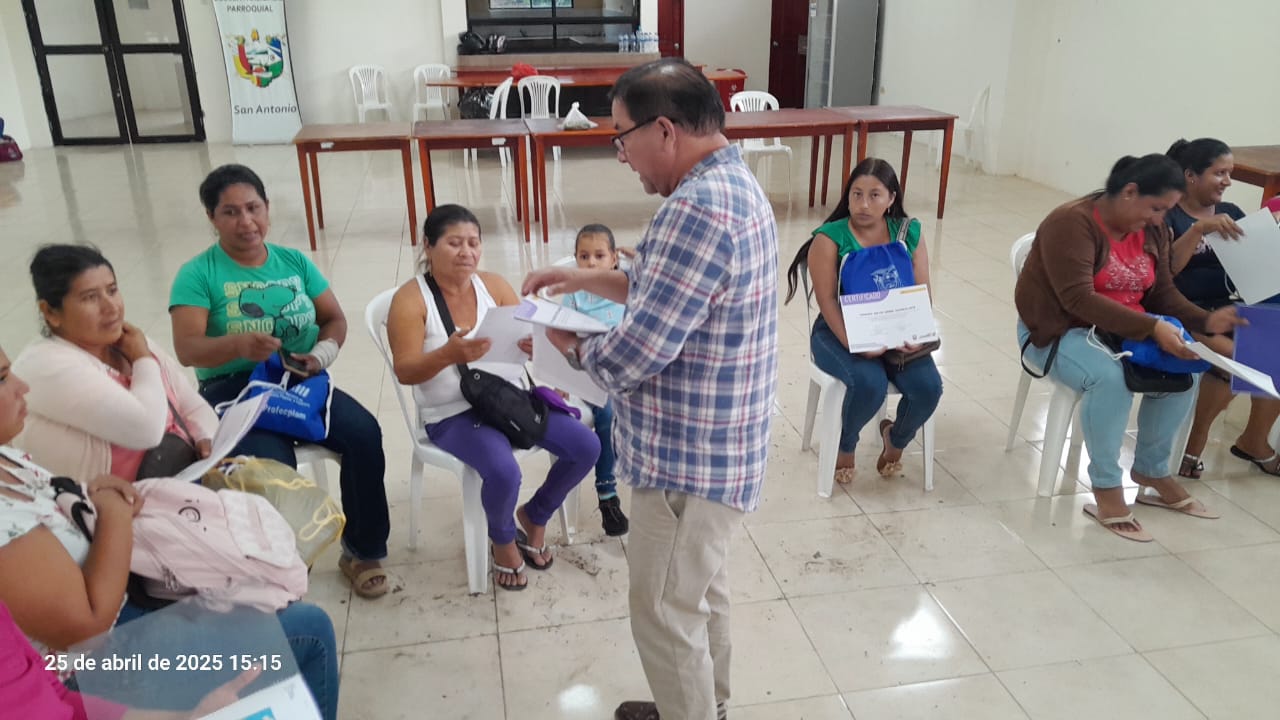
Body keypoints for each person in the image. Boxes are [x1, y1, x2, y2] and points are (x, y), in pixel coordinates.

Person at [522, 58, 778, 720]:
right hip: (722, 445)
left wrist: (568, 343)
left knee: (664, 611)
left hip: (686, 463)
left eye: (622, 136)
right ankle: (707, 705)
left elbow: (634, 353)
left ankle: (691, 711)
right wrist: (582, 280)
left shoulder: (696, 209)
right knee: (699, 594)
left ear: (664, 130)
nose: (620, 154)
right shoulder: (732, 183)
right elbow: (667, 286)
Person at [0, 346, 340, 719]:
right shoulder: (53, 366)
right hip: (90, 662)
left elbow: (194, 408)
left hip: (132, 585)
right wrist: (114, 513)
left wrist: (100, 496)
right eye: (2, 379)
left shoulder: (7, 457)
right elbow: (87, 627)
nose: (21, 386)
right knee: (307, 631)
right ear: (54, 315)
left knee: (255, 584)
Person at [169, 164, 391, 599]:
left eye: (253, 208)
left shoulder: (293, 262)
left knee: (364, 434)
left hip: (298, 377)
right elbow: (187, 349)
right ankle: (280, 563)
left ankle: (363, 550)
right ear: (212, 218)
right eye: (231, 212)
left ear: (267, 208)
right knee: (273, 464)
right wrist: (237, 345)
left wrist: (321, 355)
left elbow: (334, 319)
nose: (246, 221)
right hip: (234, 388)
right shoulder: (198, 274)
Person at [1016, 154, 1243, 543]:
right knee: (1110, 379)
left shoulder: (1152, 230)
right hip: (1058, 330)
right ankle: (1106, 485)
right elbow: (1077, 300)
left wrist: (1206, 322)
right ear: (1129, 192)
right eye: (1156, 208)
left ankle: (1152, 470)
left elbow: (1162, 292)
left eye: (1166, 210)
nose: (1161, 219)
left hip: (1126, 328)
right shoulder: (1071, 223)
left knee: (1186, 369)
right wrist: (1152, 327)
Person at [386, 204, 599, 591]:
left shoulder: (494, 286)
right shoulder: (411, 300)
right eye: (454, 243)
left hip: (508, 398)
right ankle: (502, 539)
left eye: (473, 243)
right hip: (452, 413)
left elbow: (526, 336)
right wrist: (447, 355)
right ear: (428, 246)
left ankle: (535, 515)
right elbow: (405, 371)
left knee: (586, 445)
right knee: (504, 471)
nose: (466, 252)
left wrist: (532, 347)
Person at [783, 158, 942, 486]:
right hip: (837, 331)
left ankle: (895, 439)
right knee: (869, 384)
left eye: (874, 195)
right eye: (856, 194)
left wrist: (914, 333)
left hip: (897, 332)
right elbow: (827, 301)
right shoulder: (830, 238)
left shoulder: (908, 233)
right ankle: (846, 443)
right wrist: (857, 344)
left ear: (891, 198)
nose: (864, 204)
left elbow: (922, 292)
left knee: (929, 388)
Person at [13, 245, 218, 482]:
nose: (111, 307)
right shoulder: (45, 365)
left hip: (183, 477)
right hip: (115, 501)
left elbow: (193, 406)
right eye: (90, 297)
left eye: (112, 291)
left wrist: (204, 437)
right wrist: (142, 360)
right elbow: (146, 431)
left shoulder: (129, 342)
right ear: (50, 312)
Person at [1162, 138, 1280, 478]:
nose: (1228, 181)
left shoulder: (1231, 213)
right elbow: (1165, 273)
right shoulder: (1168, 216)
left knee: (1275, 349)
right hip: (1184, 312)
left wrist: (1269, 234)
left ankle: (1254, 440)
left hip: (1229, 309)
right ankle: (1193, 444)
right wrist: (1199, 229)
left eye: (1229, 173)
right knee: (1242, 360)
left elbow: (1261, 268)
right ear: (1190, 176)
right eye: (1219, 173)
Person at [562, 223, 629, 536]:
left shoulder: (627, 290)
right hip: (588, 375)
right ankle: (607, 494)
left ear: (614, 259)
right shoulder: (573, 295)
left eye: (599, 256)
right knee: (607, 413)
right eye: (583, 256)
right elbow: (562, 337)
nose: (590, 263)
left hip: (625, 372)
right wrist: (562, 378)